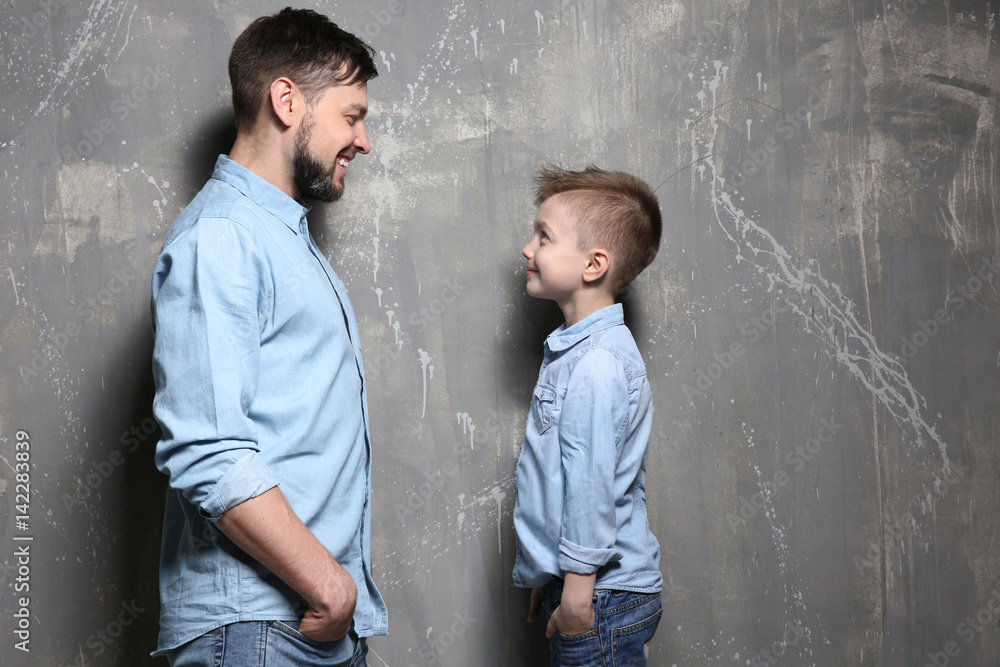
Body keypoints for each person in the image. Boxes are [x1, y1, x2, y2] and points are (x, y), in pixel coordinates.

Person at [149, 8, 386, 666]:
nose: (363, 141)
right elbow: (208, 450)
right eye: (352, 115)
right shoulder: (221, 238)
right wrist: (328, 584)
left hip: (299, 624)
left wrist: (336, 595)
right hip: (259, 628)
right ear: (287, 101)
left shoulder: (278, 235)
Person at [513, 165, 664, 666]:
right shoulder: (578, 352)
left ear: (594, 264)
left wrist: (577, 592)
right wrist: (550, 573)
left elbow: (590, 486)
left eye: (543, 237)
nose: (527, 249)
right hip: (585, 587)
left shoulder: (597, 363)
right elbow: (562, 483)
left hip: (600, 598)